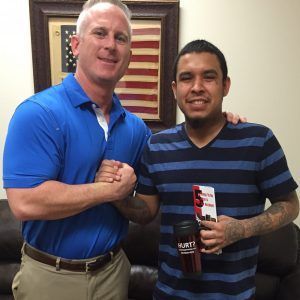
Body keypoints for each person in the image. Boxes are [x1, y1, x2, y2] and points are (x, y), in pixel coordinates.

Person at [98, 39, 299, 299]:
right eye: (186, 78)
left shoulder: (258, 141)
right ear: (174, 88)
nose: (196, 87)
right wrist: (113, 195)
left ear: (225, 85)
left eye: (209, 77)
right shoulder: (157, 146)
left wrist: (241, 229)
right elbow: (145, 212)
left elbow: (290, 205)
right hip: (170, 293)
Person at [3, 1, 150, 299]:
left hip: (113, 273)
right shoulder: (39, 113)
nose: (111, 45)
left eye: (120, 38)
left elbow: (146, 212)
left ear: (129, 56)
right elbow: (24, 203)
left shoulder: (137, 130)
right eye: (100, 33)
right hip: (50, 277)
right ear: (76, 44)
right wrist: (108, 191)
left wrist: (222, 123)